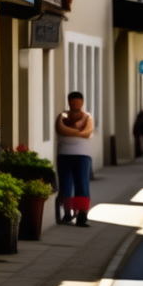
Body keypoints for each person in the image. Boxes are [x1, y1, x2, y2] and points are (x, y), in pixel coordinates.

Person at [56, 91, 94, 227]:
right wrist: (79, 132)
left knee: (82, 184)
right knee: (65, 184)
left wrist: (72, 132)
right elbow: (60, 129)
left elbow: (87, 132)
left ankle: (82, 215)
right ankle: (66, 213)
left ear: (82, 103)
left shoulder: (87, 117)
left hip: (82, 154)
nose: (76, 105)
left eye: (78, 102)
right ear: (69, 102)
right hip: (64, 154)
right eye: (73, 102)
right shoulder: (62, 116)